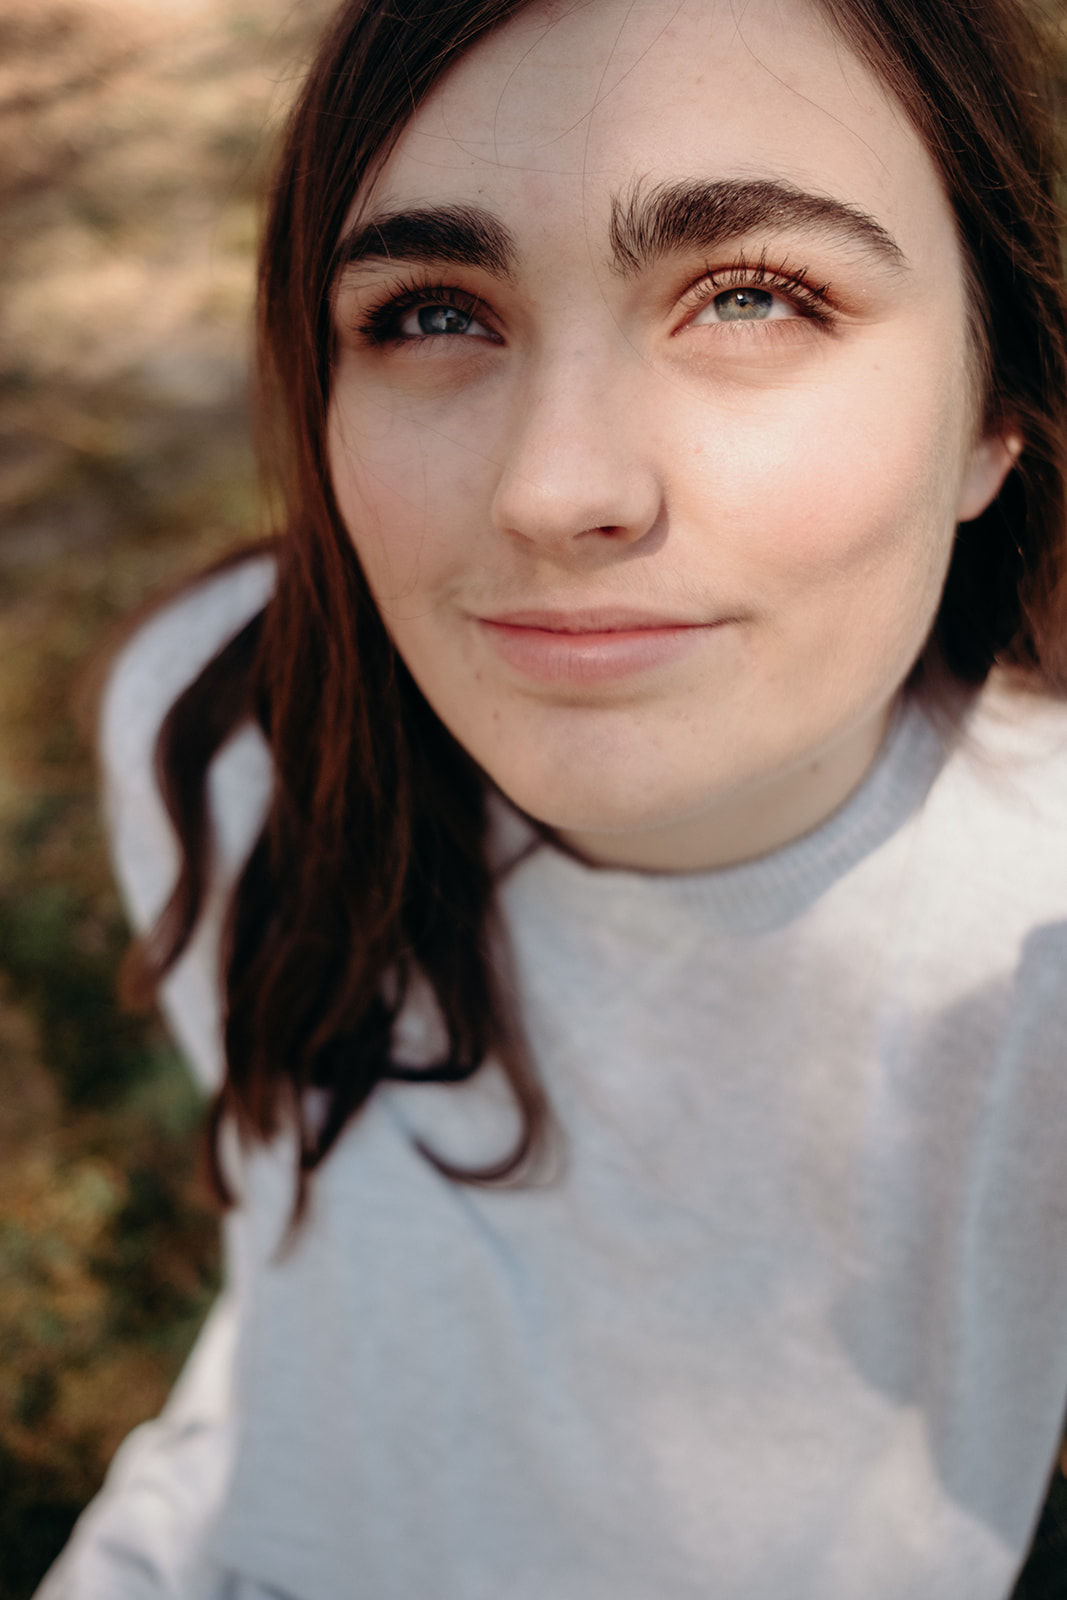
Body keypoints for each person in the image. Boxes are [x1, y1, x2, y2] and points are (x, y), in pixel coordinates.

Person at [34, 0, 1067, 1593]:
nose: (554, 486)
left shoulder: (1037, 949)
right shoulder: (223, 730)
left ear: (997, 410)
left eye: (751, 295)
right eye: (434, 313)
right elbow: (301, 1301)